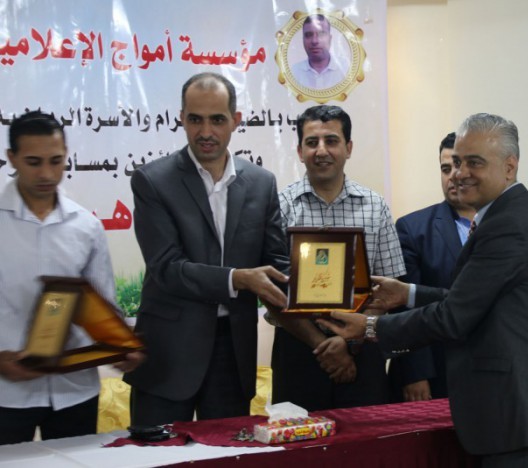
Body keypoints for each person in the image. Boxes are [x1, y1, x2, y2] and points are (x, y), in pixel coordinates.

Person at [320, 113, 528, 467]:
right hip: (519, 416)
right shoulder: (505, 215)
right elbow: (479, 302)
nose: (460, 173)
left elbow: (454, 317)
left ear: (509, 167)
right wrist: (408, 294)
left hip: (526, 416)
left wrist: (370, 327)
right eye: (457, 162)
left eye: (474, 163)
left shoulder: (508, 225)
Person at [125, 72, 289, 425]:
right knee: (158, 453)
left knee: (227, 450)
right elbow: (167, 268)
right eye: (195, 119)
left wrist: (328, 289)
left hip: (234, 352)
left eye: (217, 120)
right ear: (181, 119)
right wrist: (238, 279)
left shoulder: (261, 183)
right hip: (169, 355)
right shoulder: (152, 180)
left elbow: (278, 263)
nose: (205, 132)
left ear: (235, 120)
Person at [0, 111, 140, 444]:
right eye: (33, 162)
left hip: (75, 391)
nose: (46, 174)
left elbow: (103, 305)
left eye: (56, 161)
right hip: (7, 394)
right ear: (12, 158)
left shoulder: (85, 226)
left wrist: (121, 347)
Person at [270, 105, 406, 411]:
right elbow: (273, 291)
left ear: (349, 148)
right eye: (312, 142)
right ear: (299, 151)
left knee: (366, 438)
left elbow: (390, 288)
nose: (321, 151)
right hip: (298, 347)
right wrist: (321, 344)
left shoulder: (375, 206)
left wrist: (349, 341)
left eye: (331, 141)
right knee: (298, 439)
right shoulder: (279, 207)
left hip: (363, 348)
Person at [388, 132, 476, 402]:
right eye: (445, 169)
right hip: (435, 371)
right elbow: (405, 306)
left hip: (492, 368)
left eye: (458, 167)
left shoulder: (502, 224)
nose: (452, 176)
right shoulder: (413, 229)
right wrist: (415, 372)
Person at [290, 14, 349, 90]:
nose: (314, 41)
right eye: (308, 35)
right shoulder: (293, 73)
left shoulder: (347, 69)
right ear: (303, 39)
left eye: (321, 34)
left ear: (330, 39)